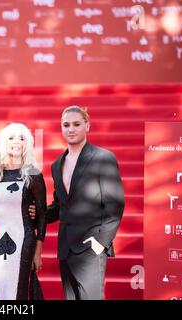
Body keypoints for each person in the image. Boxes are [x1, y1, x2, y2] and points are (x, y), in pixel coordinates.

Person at [47, 105, 125, 300]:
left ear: (87, 126)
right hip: (65, 247)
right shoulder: (57, 164)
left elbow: (114, 205)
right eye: (66, 125)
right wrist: (37, 213)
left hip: (91, 246)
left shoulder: (103, 158)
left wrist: (100, 243)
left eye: (76, 124)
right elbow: (59, 206)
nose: (70, 129)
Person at [0, 123, 47, 300]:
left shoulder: (32, 174)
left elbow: (42, 213)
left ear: (27, 144)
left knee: (19, 291)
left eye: (21, 138)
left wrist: (38, 251)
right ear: (4, 142)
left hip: (24, 241)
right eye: (11, 138)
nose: (16, 142)